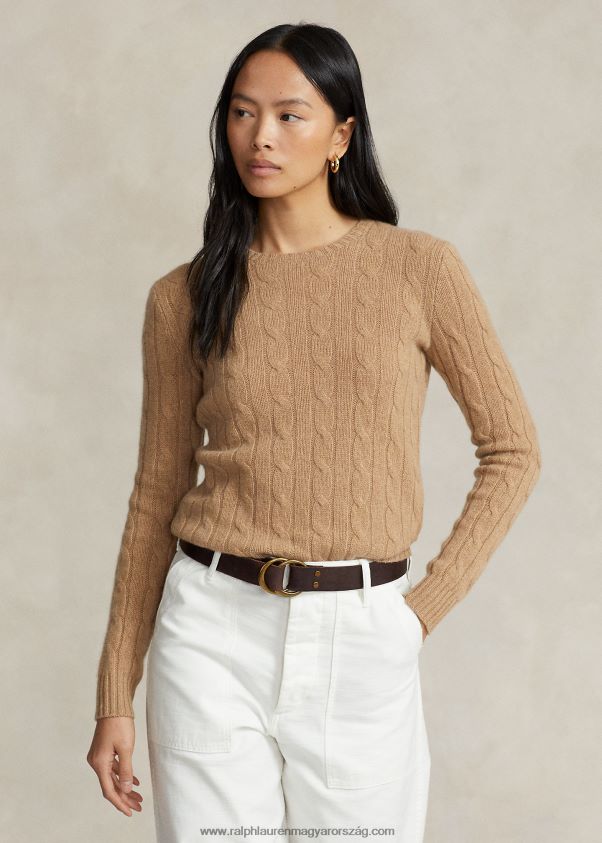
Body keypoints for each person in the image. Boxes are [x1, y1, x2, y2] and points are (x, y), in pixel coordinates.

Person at [86, 22, 541, 843]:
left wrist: (416, 614)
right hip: (208, 632)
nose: (260, 136)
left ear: (341, 135)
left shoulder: (418, 269)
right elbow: (157, 493)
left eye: (290, 115)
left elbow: (513, 450)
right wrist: (116, 688)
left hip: (361, 636)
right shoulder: (183, 297)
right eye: (242, 112)